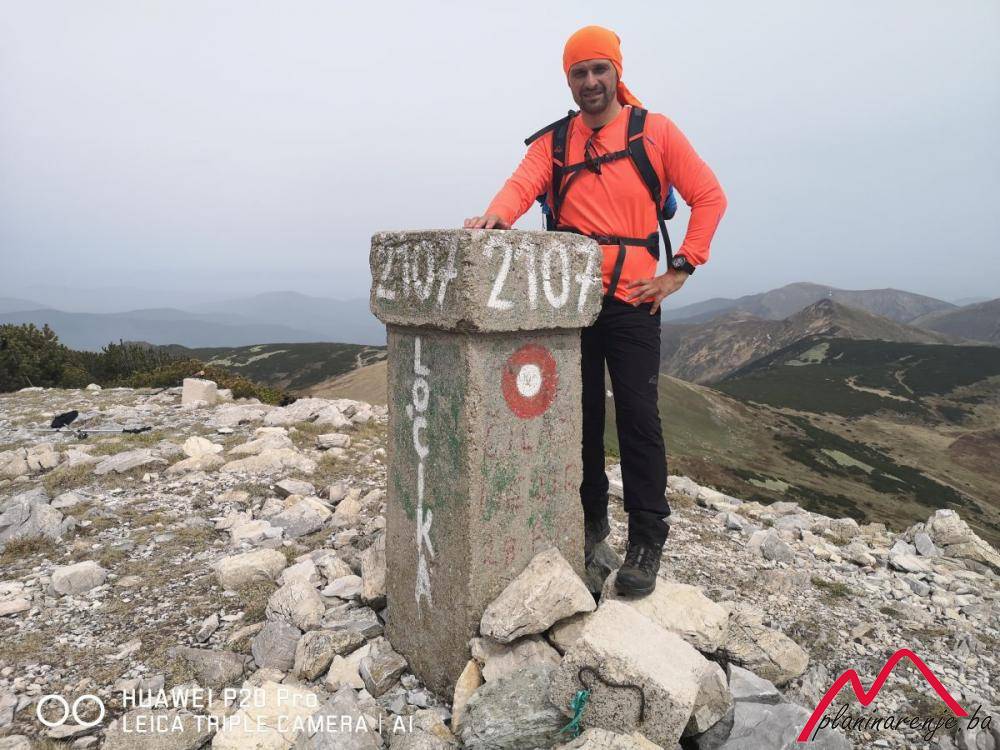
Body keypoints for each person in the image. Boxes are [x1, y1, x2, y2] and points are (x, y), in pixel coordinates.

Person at [464, 25, 726, 596]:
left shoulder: (655, 132)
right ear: (569, 80)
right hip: (571, 305)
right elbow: (520, 186)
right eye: (579, 72)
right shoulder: (555, 142)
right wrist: (495, 216)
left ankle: (647, 540)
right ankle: (590, 525)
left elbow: (709, 196)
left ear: (616, 72)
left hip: (634, 300)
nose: (590, 81)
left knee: (638, 418)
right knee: (578, 420)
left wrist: (681, 268)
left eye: (599, 69)